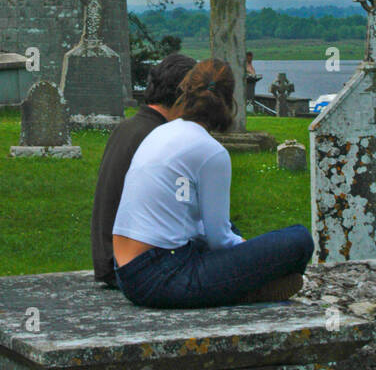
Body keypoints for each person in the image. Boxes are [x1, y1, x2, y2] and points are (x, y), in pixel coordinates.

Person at [112, 58, 313, 308]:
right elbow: (219, 240)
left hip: (126, 271)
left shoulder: (161, 133)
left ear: (186, 92)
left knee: (233, 228)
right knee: (299, 240)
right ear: (229, 101)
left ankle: (239, 284)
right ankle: (245, 289)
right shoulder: (211, 152)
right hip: (162, 275)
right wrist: (249, 252)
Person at [91, 53, 196, 286]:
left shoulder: (128, 127)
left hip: (109, 257)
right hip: (130, 264)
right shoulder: (159, 138)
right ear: (183, 95)